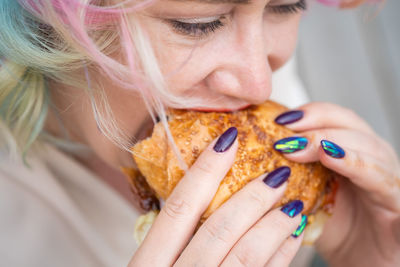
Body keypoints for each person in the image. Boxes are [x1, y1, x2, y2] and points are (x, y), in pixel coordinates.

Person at [0, 0, 399, 266]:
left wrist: (354, 254)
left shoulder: (260, 118)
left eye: (285, 5)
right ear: (44, 26)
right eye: (197, 24)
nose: (260, 83)